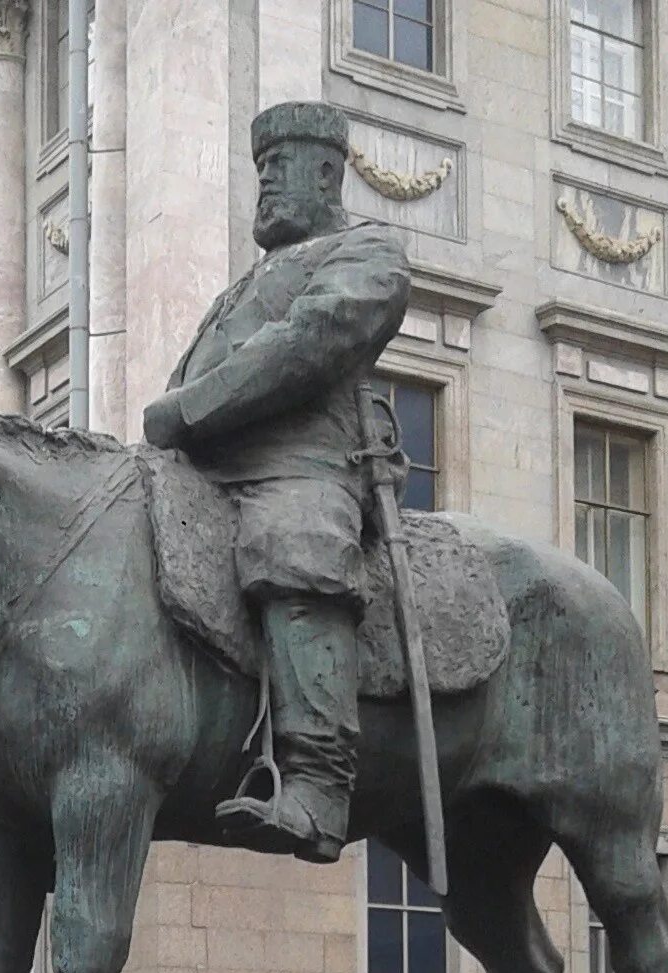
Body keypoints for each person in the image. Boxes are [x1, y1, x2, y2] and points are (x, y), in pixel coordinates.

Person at [143, 100, 411, 864]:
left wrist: (189, 408)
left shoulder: (367, 254)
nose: (263, 185)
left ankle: (317, 786)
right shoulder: (243, 285)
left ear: (327, 172)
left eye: (277, 170)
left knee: (294, 544)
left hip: (304, 469)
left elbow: (309, 342)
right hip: (206, 471)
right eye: (259, 170)